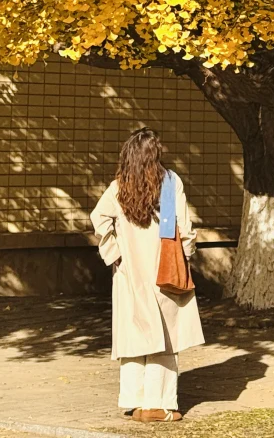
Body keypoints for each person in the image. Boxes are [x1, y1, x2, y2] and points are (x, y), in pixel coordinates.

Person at [91, 129, 204, 423]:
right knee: (164, 338)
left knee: (134, 335)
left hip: (128, 273)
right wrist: (186, 256)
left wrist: (115, 254)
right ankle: (157, 405)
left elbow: (98, 218)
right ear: (155, 156)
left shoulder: (118, 187)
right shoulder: (169, 183)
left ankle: (133, 399)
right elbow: (184, 226)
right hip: (162, 269)